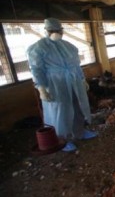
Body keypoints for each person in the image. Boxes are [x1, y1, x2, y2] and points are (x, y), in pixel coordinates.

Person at [27, 18, 97, 152]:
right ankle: (62, 139)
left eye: (58, 30)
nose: (56, 33)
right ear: (46, 31)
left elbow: (76, 65)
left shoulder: (69, 46)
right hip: (55, 83)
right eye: (53, 31)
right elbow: (36, 69)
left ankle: (80, 132)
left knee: (78, 106)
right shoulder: (38, 48)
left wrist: (82, 80)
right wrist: (41, 88)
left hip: (74, 81)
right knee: (60, 111)